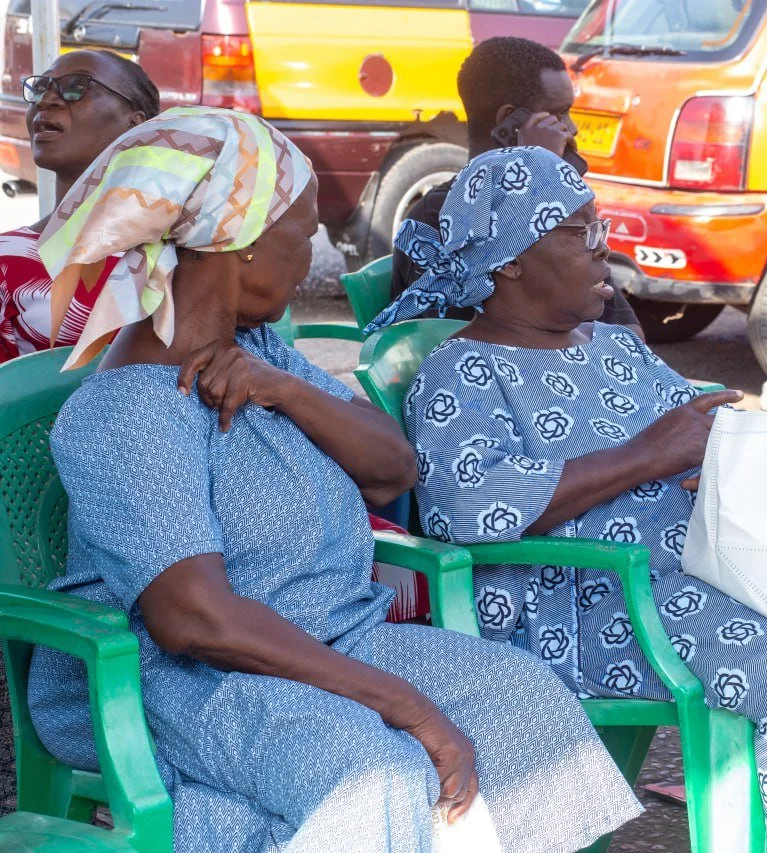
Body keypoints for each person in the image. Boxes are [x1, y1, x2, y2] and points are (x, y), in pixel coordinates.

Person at [26, 108, 641, 852]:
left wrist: (280, 388)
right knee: (371, 773)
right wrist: (408, 706)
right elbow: (195, 621)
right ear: (241, 245)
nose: (313, 249)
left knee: (529, 705)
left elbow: (394, 468)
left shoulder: (256, 352)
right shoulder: (130, 409)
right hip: (189, 684)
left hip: (334, 637)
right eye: (304, 228)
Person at [373, 145, 767, 853]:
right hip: (593, 603)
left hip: (716, 576)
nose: (600, 249)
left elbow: (696, 432)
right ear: (510, 256)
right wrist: (647, 455)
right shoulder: (461, 371)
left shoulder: (615, 348)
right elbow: (468, 505)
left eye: (599, 226)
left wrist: (727, 455)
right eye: (577, 233)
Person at [389, 36, 642, 337]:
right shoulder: (438, 217)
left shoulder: (559, 211)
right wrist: (532, 172)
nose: (572, 128)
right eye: (559, 113)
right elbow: (452, 348)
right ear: (511, 123)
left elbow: (629, 334)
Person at [0, 50, 160, 363]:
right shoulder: (9, 259)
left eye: (76, 87)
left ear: (135, 125)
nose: (46, 100)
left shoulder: (187, 247)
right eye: (40, 87)